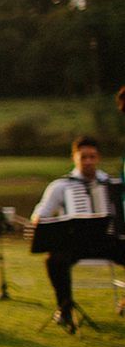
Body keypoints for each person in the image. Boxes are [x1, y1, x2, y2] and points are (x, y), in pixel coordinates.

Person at [31, 136, 124, 333]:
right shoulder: (61, 186)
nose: (88, 161)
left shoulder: (111, 184)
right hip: (74, 243)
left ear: (98, 157)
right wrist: (42, 220)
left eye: (92, 157)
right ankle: (64, 309)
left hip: (106, 241)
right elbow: (41, 213)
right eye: (83, 157)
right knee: (54, 259)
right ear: (74, 158)